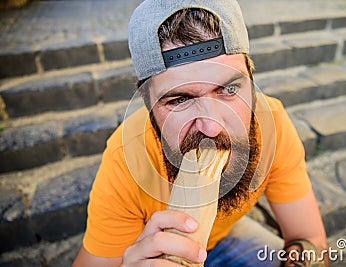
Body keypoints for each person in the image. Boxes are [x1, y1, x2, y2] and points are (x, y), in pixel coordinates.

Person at [72, 1, 328, 266]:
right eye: (179, 100)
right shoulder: (125, 159)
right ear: (148, 104)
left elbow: (310, 239)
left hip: (227, 239)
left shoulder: (272, 125)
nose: (211, 127)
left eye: (229, 90)